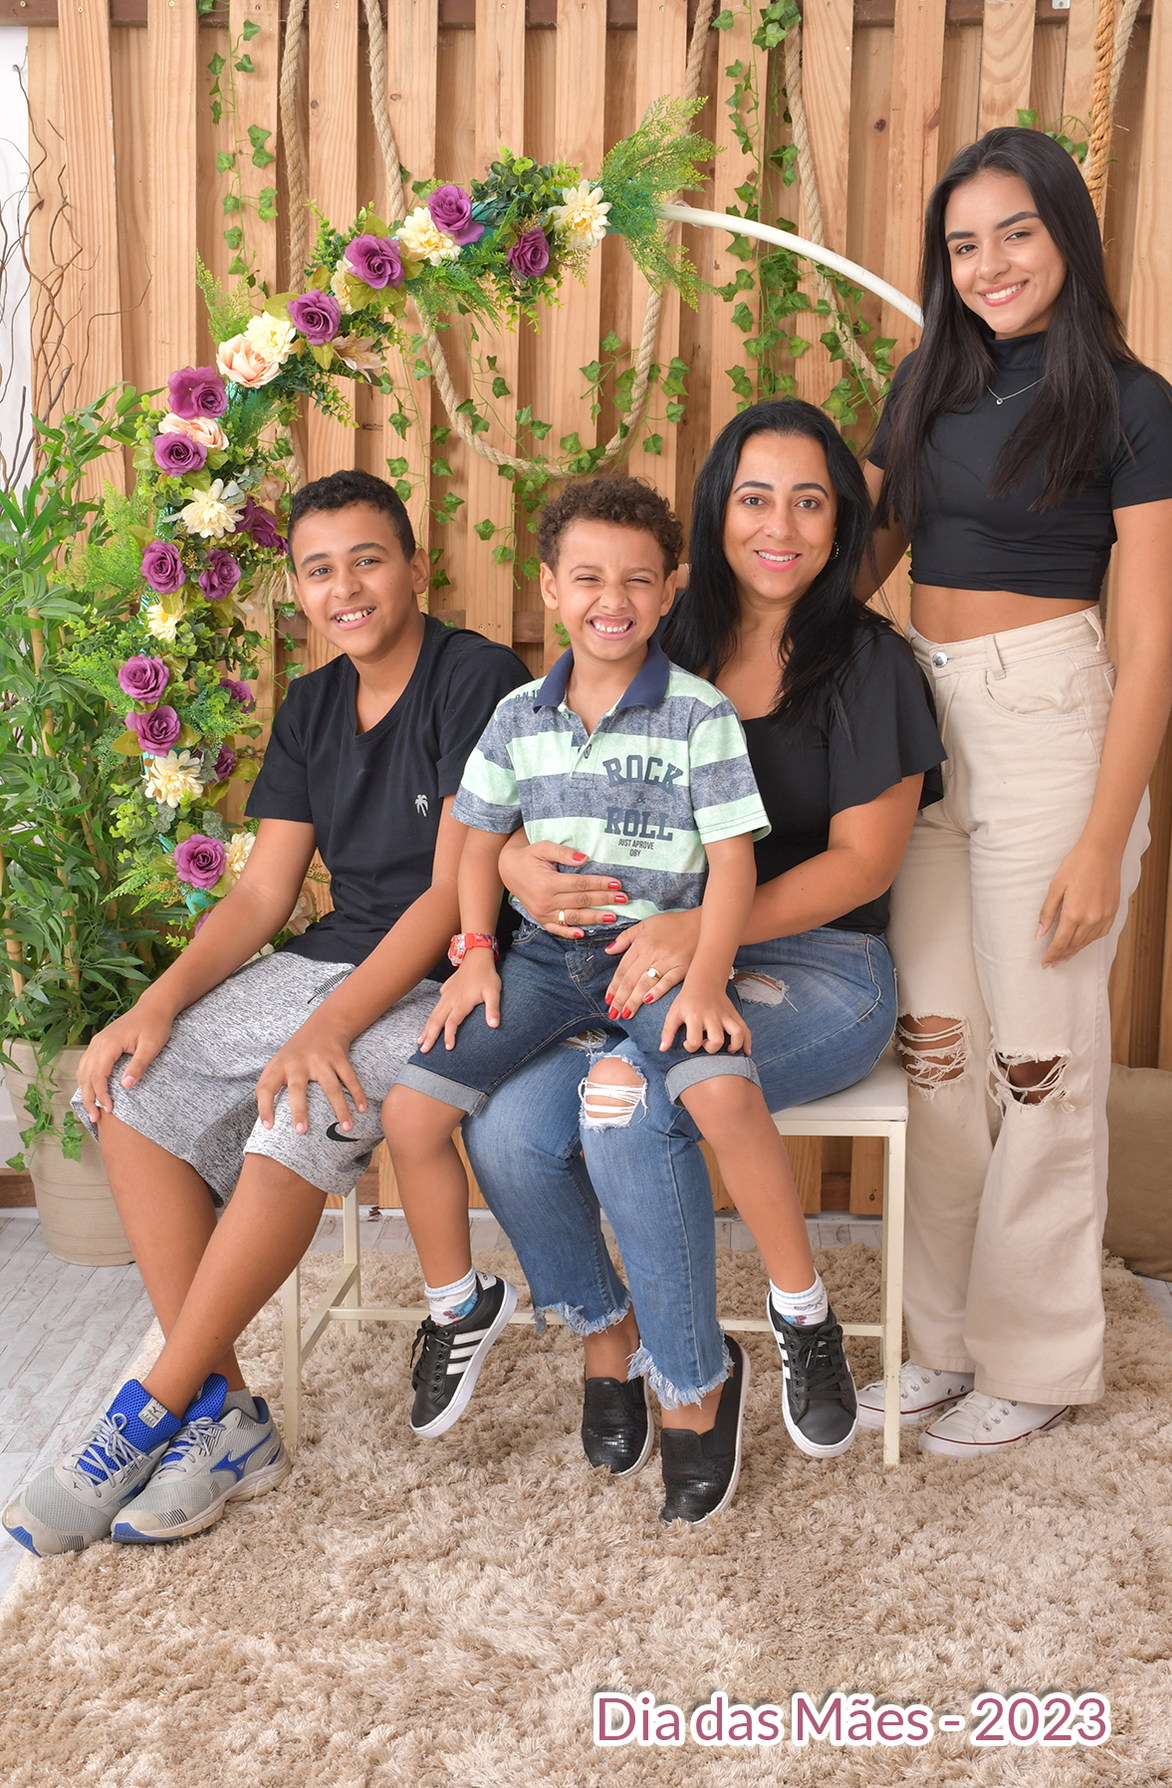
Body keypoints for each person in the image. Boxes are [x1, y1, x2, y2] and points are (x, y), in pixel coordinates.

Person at [2, 470, 528, 1557]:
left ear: (416, 567)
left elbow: (450, 892)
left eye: (368, 560)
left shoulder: (476, 676)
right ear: (295, 589)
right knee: (133, 1089)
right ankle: (227, 1419)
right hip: (331, 959)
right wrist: (152, 1006)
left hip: (455, 973)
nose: (347, 588)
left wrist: (327, 1027)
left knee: (295, 1104)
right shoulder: (311, 705)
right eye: (319, 570)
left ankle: (146, 1408)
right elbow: (260, 896)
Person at [460, 403, 946, 1521]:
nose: (782, 526)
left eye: (811, 502)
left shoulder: (872, 663)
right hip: (635, 962)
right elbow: (540, 783)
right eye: (755, 498)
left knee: (630, 1108)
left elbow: (864, 865)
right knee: (507, 1131)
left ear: (843, 523)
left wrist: (701, 936)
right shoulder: (658, 636)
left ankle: (706, 1383)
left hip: (819, 970)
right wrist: (520, 866)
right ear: (716, 516)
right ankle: (611, 1338)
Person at [384, 475, 866, 1508]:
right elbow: (473, 840)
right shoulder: (519, 715)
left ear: (670, 587)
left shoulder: (698, 714)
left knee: (719, 1089)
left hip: (652, 963)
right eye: (589, 579)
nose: (613, 600)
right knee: (414, 1112)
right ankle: (464, 1304)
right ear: (549, 588)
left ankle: (803, 1315)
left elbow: (732, 863)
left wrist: (708, 974)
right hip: (538, 966)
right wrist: (476, 954)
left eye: (638, 580)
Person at [857, 127, 1172, 1456]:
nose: (989, 264)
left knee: (1039, 1060)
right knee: (937, 1050)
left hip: (1053, 725)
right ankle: (941, 1343)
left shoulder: (1132, 404)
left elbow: (1153, 643)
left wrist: (1105, 838)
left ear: (1068, 236)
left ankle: (1037, 1357)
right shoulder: (926, 383)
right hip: (922, 715)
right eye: (963, 244)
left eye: (1016, 233)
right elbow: (853, 564)